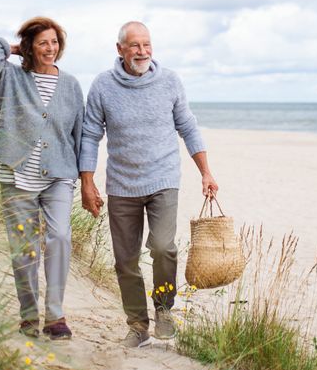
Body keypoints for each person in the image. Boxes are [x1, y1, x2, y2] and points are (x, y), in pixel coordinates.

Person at [79, 20, 218, 348]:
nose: (142, 51)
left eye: (147, 44)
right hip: (122, 184)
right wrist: (87, 181)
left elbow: (188, 126)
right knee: (125, 259)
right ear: (120, 50)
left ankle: (164, 310)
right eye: (134, 46)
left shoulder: (169, 81)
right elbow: (89, 134)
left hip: (163, 180)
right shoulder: (102, 86)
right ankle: (138, 325)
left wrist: (206, 172)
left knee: (162, 246)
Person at [0, 17, 84, 340]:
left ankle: (55, 315)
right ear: (29, 47)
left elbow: (78, 133)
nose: (50, 49)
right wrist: (13, 48)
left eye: (54, 42)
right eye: (42, 43)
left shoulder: (71, 85)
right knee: (23, 249)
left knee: (60, 238)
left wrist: (83, 176)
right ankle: (28, 315)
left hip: (58, 175)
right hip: (16, 173)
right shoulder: (9, 77)